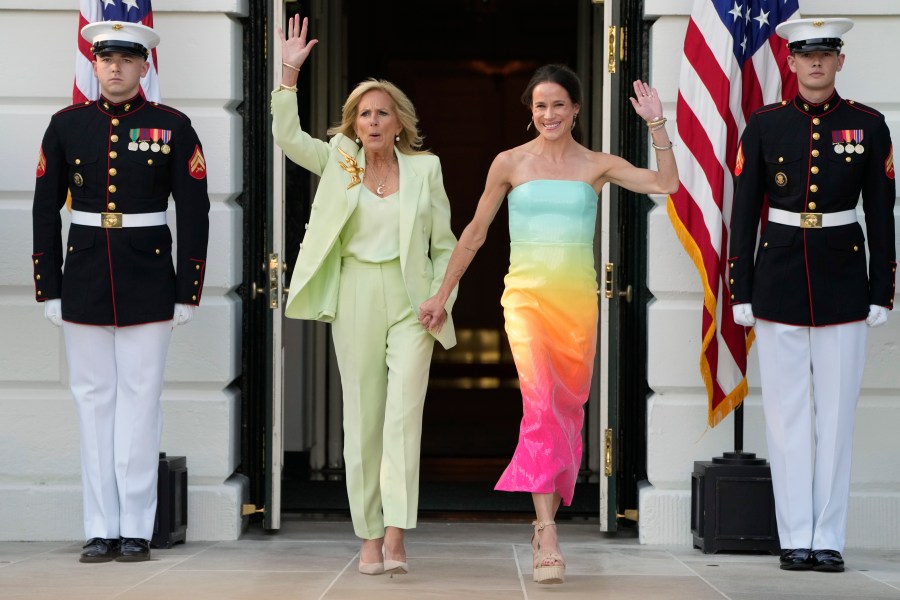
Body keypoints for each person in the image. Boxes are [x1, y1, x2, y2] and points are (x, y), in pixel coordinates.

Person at [419, 64, 678, 584]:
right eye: (540, 105)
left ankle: (546, 517)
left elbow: (666, 184)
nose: (549, 114)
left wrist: (657, 125)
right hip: (527, 301)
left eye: (559, 104)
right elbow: (474, 232)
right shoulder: (509, 163)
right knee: (539, 404)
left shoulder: (596, 164)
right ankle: (546, 532)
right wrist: (442, 293)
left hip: (577, 305)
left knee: (566, 409)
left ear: (576, 109)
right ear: (530, 111)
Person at [271, 15, 457, 576]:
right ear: (353, 123)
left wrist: (440, 296)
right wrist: (288, 74)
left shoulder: (426, 170)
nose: (372, 121)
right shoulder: (340, 160)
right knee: (364, 419)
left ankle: (397, 535)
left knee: (404, 417)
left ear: (399, 122)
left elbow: (445, 244)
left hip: (412, 302)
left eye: (382, 112)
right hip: (354, 292)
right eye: (363, 114)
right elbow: (286, 137)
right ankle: (369, 537)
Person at [31, 21, 210, 562]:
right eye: (105, 57)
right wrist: (48, 287)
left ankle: (136, 526)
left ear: (143, 67)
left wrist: (187, 288)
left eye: (126, 59)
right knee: (92, 404)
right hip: (84, 273)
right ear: (93, 63)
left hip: (148, 275)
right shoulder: (66, 125)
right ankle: (99, 527)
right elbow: (44, 209)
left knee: (140, 402)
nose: (114, 68)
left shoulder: (172, 126)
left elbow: (195, 210)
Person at [728, 18, 895, 573]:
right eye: (806, 55)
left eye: (826, 54)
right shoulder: (765, 124)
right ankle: (794, 535)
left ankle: (829, 538)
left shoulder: (868, 125)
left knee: (837, 418)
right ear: (791, 63)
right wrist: (741, 287)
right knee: (786, 416)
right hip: (776, 280)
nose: (816, 63)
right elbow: (744, 211)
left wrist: (881, 288)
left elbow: (881, 213)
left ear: (840, 62)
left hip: (844, 284)